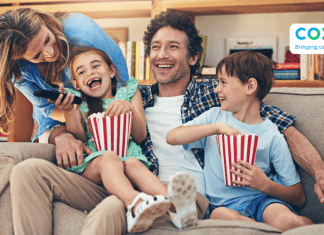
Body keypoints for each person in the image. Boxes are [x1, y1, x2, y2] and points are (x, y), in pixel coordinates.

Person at [9, 9, 324, 235]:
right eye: (156, 48)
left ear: (192, 58)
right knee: (27, 171)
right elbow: (63, 115)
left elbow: (277, 124)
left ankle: (164, 205)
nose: (162, 55)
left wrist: (320, 171)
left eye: (173, 47)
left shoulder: (215, 93)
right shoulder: (133, 96)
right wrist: (60, 131)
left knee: (112, 209)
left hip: (192, 198)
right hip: (133, 187)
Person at [166, 50, 314, 231]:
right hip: (222, 206)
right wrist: (217, 128)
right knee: (221, 216)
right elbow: (172, 137)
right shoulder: (214, 117)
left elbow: (298, 197)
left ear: (250, 86)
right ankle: (261, 229)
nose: (216, 89)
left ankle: (297, 226)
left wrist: (264, 184)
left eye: (223, 82)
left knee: (286, 220)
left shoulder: (272, 135)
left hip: (262, 201)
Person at [55, 46, 172, 233]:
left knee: (134, 163)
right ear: (77, 84)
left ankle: (177, 208)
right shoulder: (80, 102)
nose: (89, 73)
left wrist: (129, 108)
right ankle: (135, 203)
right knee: (109, 157)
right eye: (82, 72)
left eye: (95, 66)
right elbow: (79, 138)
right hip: (96, 162)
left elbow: (140, 136)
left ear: (111, 71)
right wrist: (69, 111)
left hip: (127, 156)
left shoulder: (128, 92)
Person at [0, 8, 128, 143]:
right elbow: (47, 109)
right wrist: (70, 114)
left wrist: (84, 117)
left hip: (111, 98)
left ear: (43, 22)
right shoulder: (17, 69)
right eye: (37, 55)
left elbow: (116, 92)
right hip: (65, 116)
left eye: (47, 40)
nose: (50, 53)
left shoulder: (84, 33)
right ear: (20, 58)